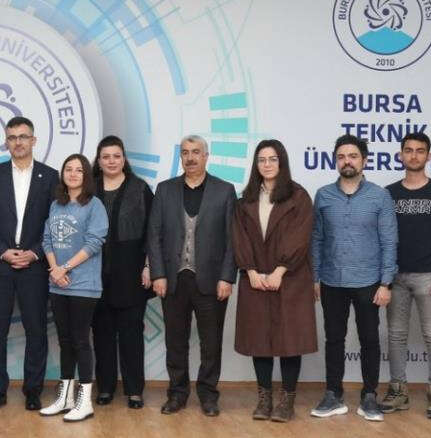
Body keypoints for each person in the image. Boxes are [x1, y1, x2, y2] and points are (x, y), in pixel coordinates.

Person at [310, 134, 397, 422]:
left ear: (364, 160)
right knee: (334, 339)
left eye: (353, 156)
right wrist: (315, 277)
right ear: (336, 161)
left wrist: (386, 282)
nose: (347, 161)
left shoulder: (379, 196)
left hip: (369, 281)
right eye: (341, 156)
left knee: (370, 339)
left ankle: (369, 395)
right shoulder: (323, 195)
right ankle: (333, 394)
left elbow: (389, 240)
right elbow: (317, 239)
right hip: (332, 280)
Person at [148, 135, 236, 418]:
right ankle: (177, 393)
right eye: (185, 152)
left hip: (211, 279)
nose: (190, 157)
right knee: (175, 341)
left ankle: (208, 395)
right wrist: (158, 273)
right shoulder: (165, 190)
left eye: (196, 152)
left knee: (211, 342)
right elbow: (154, 235)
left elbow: (232, 239)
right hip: (173, 279)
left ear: (206, 156)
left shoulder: (224, 191)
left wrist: (227, 277)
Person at [0, 116, 59, 411]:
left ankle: (33, 390)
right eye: (12, 137)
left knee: (36, 330)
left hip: (34, 266)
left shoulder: (51, 177)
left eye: (23, 137)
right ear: (6, 142)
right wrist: (3, 251)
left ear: (33, 140)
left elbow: (54, 222)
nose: (18, 142)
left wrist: (35, 252)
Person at [232, 140, 317, 422]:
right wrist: (250, 271)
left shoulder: (298, 196)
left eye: (272, 159)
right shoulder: (245, 199)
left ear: (282, 162)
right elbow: (239, 237)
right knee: (260, 340)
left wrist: (280, 270)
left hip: (290, 278)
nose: (266, 164)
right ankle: (264, 398)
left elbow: (300, 237)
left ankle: (286, 401)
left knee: (289, 341)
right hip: (255, 278)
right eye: (261, 160)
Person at [379, 132, 431, 419]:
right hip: (396, 276)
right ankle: (398, 391)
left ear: (428, 156)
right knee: (396, 336)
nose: (414, 155)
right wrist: (385, 277)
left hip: (430, 276)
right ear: (400, 155)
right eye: (409, 150)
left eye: (420, 150)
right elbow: (382, 237)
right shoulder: (388, 193)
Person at [39, 154, 108, 422]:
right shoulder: (56, 204)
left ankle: (84, 401)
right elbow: (47, 239)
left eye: (79, 170)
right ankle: (65, 398)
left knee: (80, 341)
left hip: (83, 285)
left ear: (86, 175)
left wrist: (64, 268)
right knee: (65, 341)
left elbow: (94, 242)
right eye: (68, 169)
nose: (73, 174)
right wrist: (55, 270)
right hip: (58, 284)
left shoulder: (94, 205)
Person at [90, 135, 153, 409]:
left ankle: (134, 390)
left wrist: (149, 266)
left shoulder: (140, 188)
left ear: (124, 159)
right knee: (101, 333)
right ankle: (105, 387)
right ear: (99, 161)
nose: (112, 161)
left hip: (132, 272)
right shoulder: (88, 189)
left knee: (131, 334)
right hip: (94, 272)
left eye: (116, 156)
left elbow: (153, 232)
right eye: (106, 157)